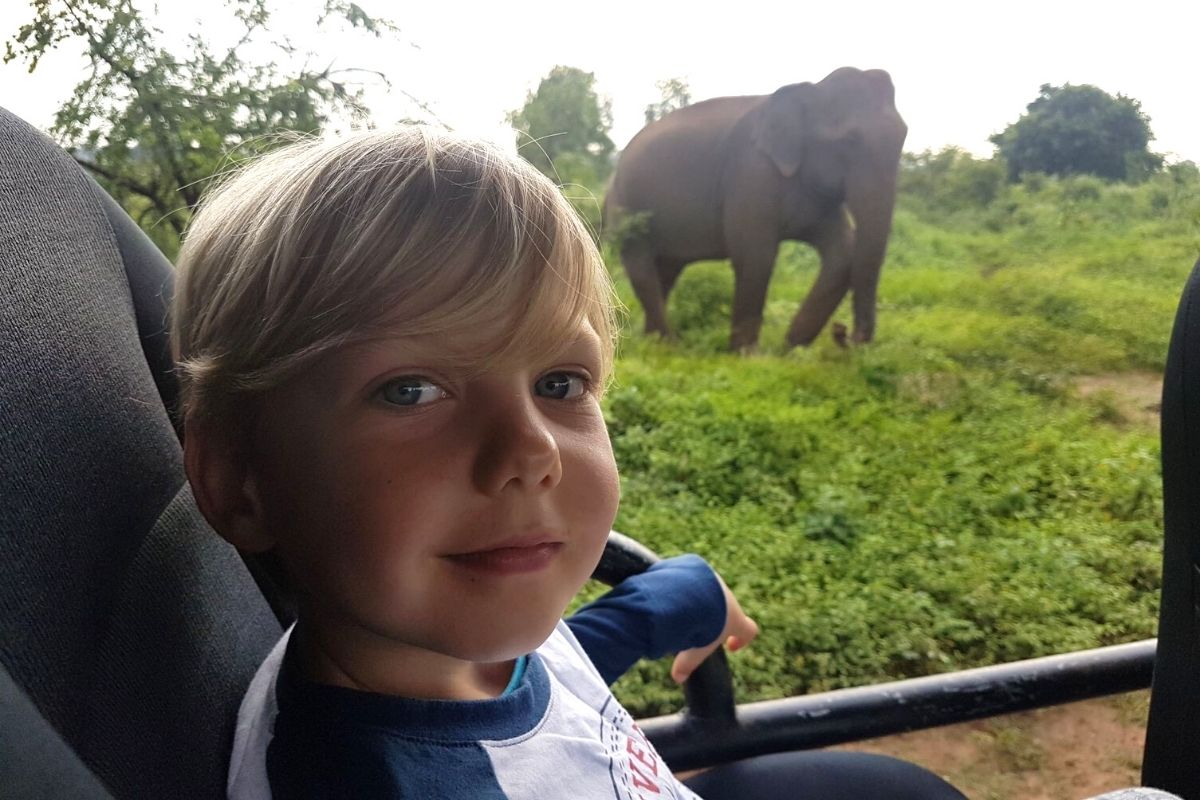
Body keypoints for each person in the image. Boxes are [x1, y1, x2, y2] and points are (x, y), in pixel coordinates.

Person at [171, 126, 966, 799]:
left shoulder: (462, 635)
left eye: (560, 383)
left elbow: (567, 657)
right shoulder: (372, 777)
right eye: (410, 390)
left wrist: (686, 594)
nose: (532, 450)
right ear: (241, 481)